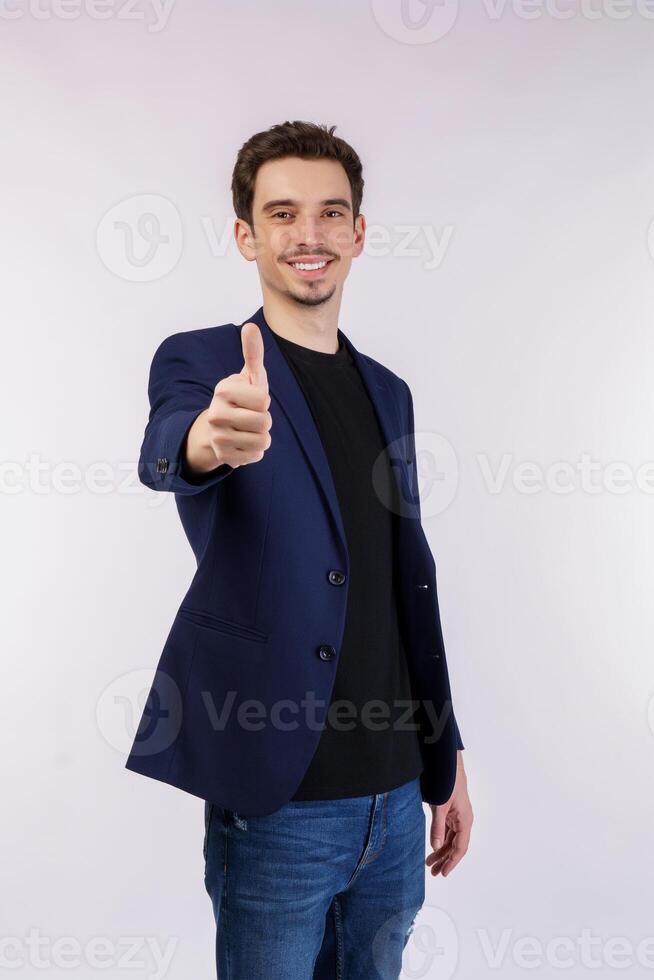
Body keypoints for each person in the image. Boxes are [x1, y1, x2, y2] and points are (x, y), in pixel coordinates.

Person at [126, 120, 473, 979]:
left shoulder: (388, 391)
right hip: (281, 802)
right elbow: (170, 445)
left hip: (396, 800)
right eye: (282, 213)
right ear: (247, 234)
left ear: (359, 233)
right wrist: (212, 434)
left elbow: (405, 584)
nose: (308, 235)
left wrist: (446, 753)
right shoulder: (205, 360)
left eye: (330, 213)